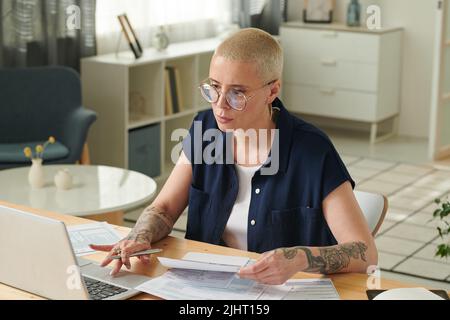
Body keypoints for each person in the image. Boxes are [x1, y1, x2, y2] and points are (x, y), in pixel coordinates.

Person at [90, 28, 378, 285]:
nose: (220, 105)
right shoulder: (205, 129)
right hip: (205, 287)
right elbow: (164, 209)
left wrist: (299, 258)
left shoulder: (312, 151)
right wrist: (139, 235)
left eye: (237, 94)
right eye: (214, 87)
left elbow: (365, 252)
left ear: (272, 91)